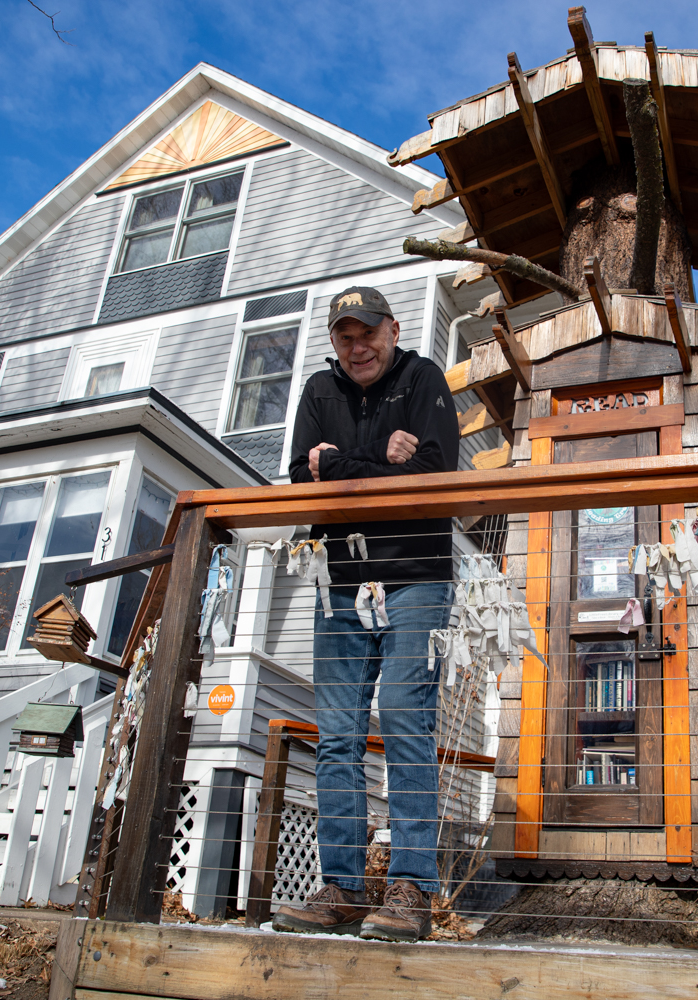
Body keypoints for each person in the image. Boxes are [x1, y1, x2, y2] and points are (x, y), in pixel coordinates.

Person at [273, 286, 459, 941]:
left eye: (368, 333)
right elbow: (304, 481)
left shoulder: (423, 377)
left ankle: (411, 888)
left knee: (408, 719)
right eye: (345, 336)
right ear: (334, 342)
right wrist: (382, 459)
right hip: (342, 579)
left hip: (417, 574)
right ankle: (344, 889)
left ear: (393, 329)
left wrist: (344, 466)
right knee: (338, 737)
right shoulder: (319, 393)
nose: (358, 347)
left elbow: (438, 469)